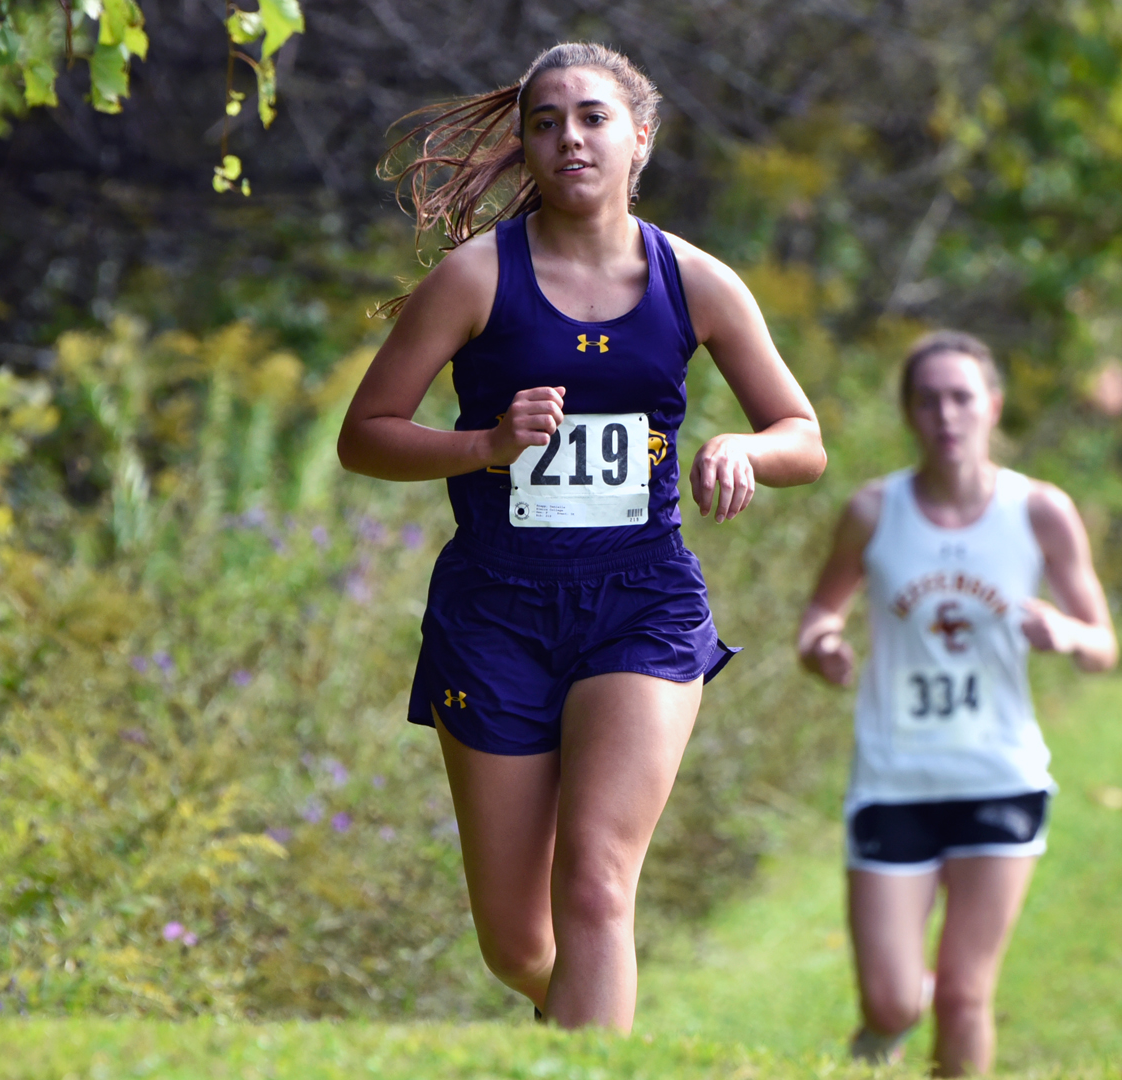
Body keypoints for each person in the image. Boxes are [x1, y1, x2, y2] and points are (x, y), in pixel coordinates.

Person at [336, 42, 826, 1031]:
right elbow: (365, 436)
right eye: (546, 121)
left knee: (598, 883)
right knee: (519, 943)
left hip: (640, 601)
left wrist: (744, 451)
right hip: (496, 610)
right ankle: (589, 1029)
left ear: (639, 138)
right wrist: (482, 445)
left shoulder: (697, 281)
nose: (570, 138)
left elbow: (804, 437)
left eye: (593, 117)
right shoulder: (477, 280)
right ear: (524, 145)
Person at [797, 330, 1117, 1075]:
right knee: (893, 1002)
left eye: (962, 397)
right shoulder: (874, 511)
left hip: (999, 777)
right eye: (929, 399)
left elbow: (1105, 645)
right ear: (908, 413)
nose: (947, 414)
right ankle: (881, 1035)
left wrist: (1066, 632)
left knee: (966, 995)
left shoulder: (1040, 511)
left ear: (992, 407)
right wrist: (823, 646)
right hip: (894, 778)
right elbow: (820, 613)